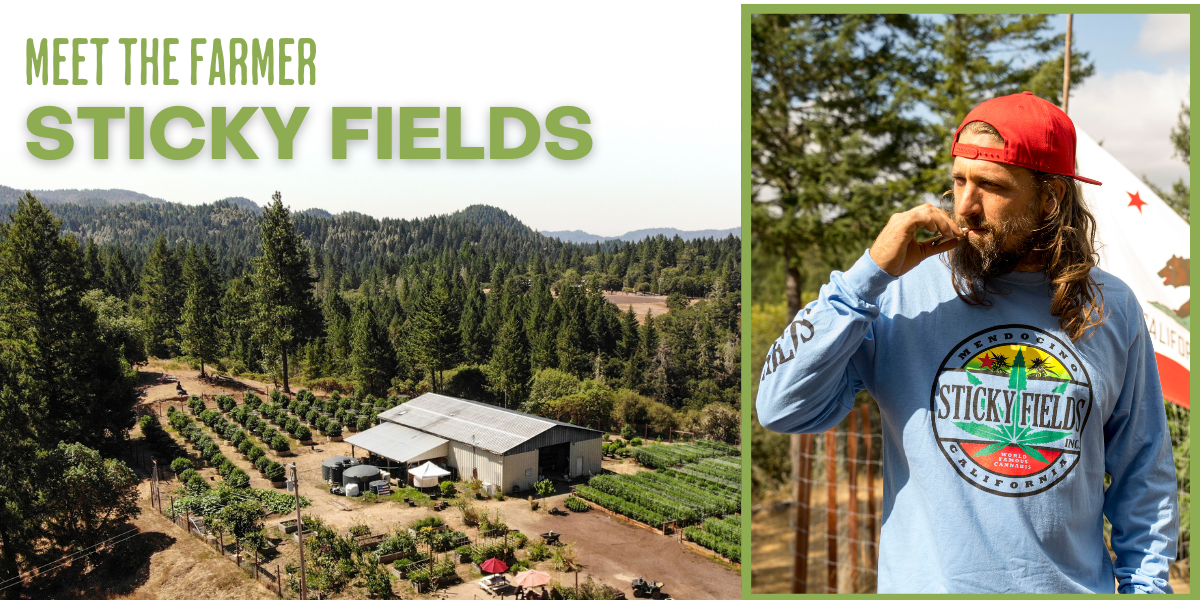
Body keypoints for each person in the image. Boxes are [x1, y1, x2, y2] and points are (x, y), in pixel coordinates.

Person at [756, 91, 1178, 593]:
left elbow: (1144, 474)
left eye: (990, 186)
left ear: (1049, 199)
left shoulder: (1112, 308)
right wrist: (865, 277)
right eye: (958, 180)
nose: (964, 206)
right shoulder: (901, 291)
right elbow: (781, 407)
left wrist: (1147, 587)